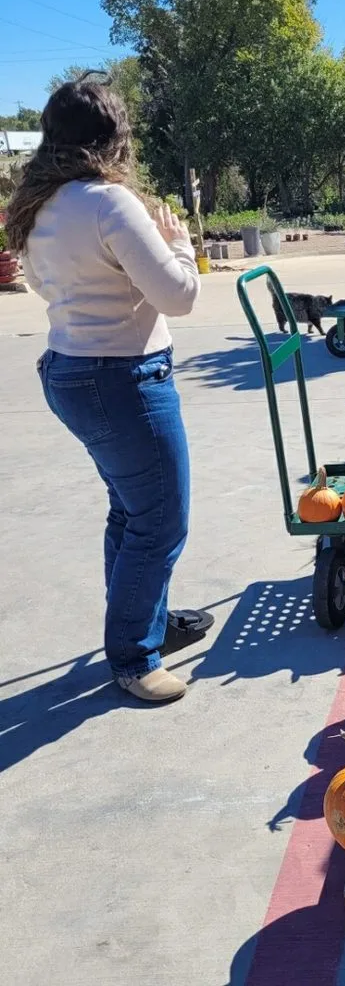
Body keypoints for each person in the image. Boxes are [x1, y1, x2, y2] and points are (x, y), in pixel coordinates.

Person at [6, 75, 211, 704]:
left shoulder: (38, 205)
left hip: (71, 371)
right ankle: (133, 655)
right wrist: (180, 245)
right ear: (113, 135)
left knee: (131, 511)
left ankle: (144, 623)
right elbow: (178, 296)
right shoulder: (109, 203)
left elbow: (46, 286)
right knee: (161, 519)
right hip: (124, 380)